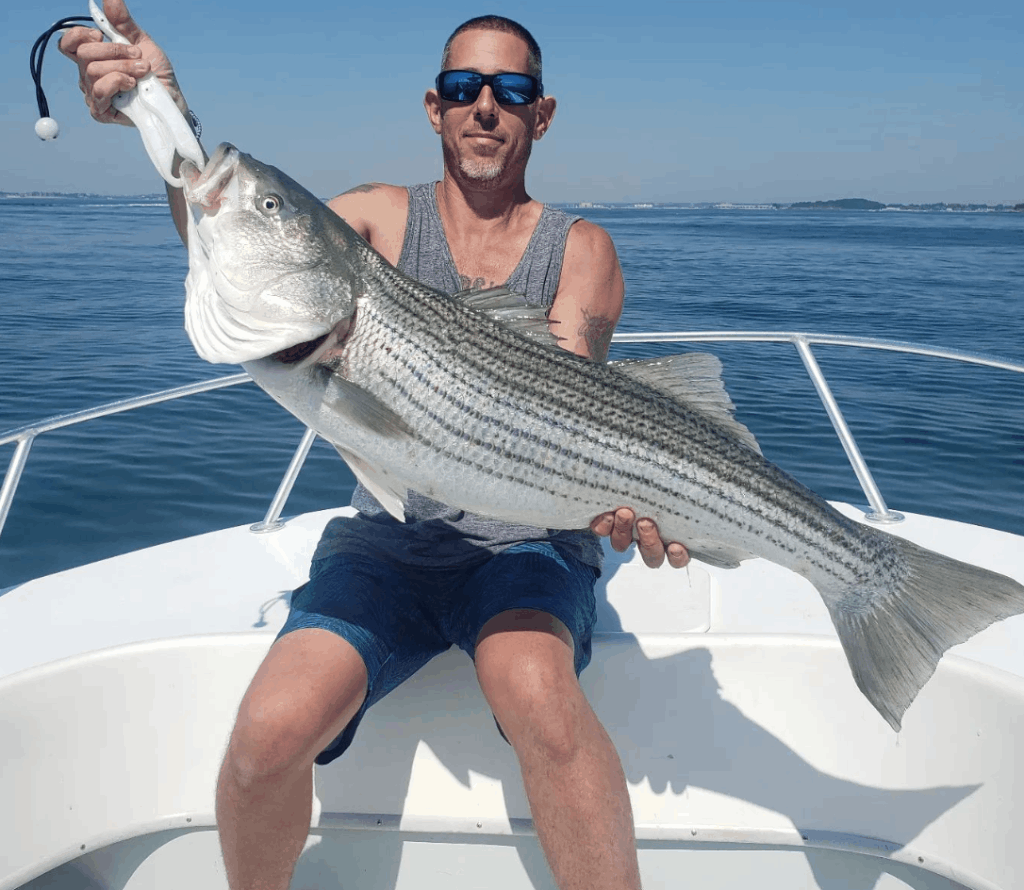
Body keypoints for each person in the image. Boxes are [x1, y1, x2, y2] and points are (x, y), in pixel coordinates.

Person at [61, 5, 689, 888]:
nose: (485, 108)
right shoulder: (378, 219)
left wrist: (632, 501)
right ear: (434, 107)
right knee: (266, 737)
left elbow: (571, 406)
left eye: (511, 91)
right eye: (465, 88)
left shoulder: (580, 248)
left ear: (540, 115)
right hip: (390, 542)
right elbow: (241, 234)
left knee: (541, 698)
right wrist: (162, 109)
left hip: (527, 539)